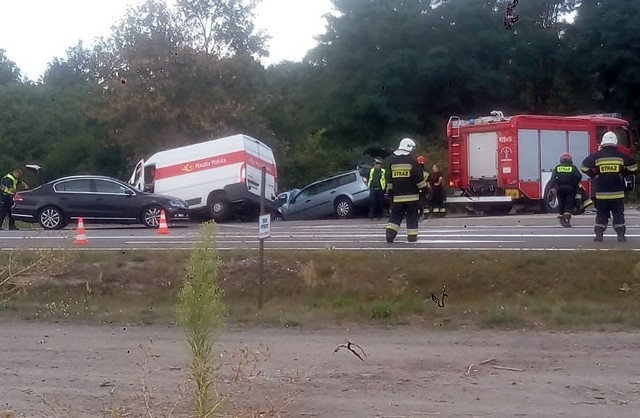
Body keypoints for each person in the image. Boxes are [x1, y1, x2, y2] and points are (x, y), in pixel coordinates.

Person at [581, 131, 638, 242]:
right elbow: (634, 166)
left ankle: (599, 236)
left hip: (602, 194)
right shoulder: (621, 156)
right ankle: (621, 236)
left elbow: (584, 166)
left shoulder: (597, 156)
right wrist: (623, 171)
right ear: (615, 142)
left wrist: (595, 174)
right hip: (617, 193)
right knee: (618, 214)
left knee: (601, 214)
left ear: (603, 142)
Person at [384, 138, 428, 243]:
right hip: (412, 198)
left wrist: (390, 194)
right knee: (412, 217)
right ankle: (412, 237)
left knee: (395, 217)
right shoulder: (413, 163)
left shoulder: (392, 163)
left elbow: (389, 181)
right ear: (409, 149)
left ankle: (390, 235)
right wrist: (425, 190)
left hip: (397, 198)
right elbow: (419, 180)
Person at [550, 153, 582, 227]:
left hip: (560, 189)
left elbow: (553, 179)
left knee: (561, 202)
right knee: (569, 203)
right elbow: (579, 176)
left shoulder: (557, 168)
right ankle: (567, 217)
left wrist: (553, 187)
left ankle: (562, 217)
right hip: (570, 188)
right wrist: (574, 183)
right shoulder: (572, 167)